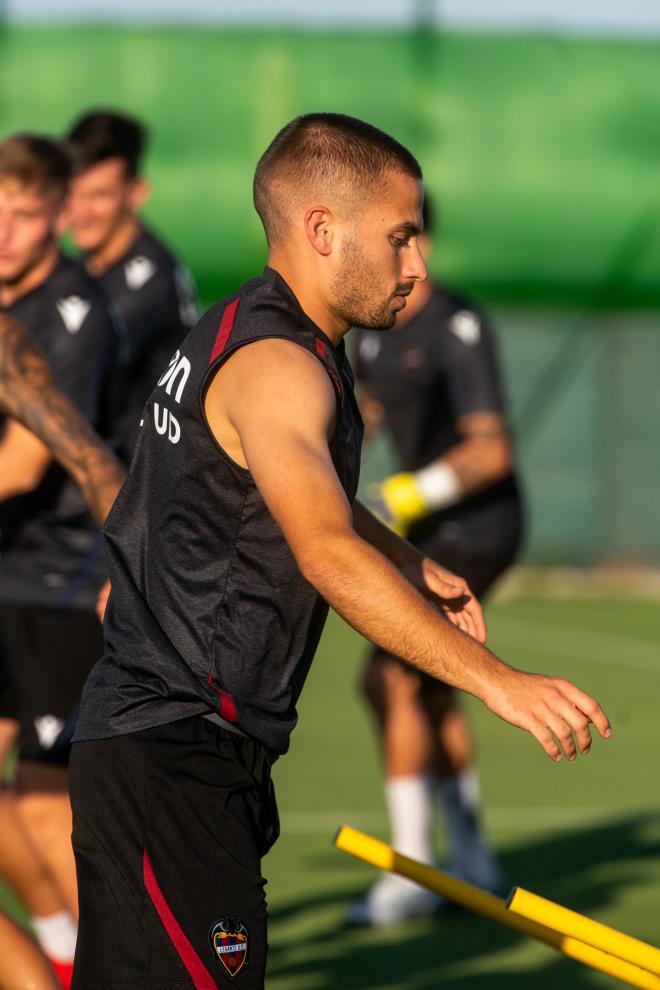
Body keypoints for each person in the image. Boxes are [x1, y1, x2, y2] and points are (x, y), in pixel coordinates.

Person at [69, 113, 611, 990]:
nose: (419, 266)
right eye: (399, 239)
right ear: (323, 229)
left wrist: (406, 559)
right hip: (171, 758)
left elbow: (287, 498)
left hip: (176, 751)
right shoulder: (281, 363)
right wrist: (497, 681)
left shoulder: (245, 324)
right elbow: (321, 549)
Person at [347, 195, 524, 926]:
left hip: (481, 528)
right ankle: (475, 859)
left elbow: (491, 450)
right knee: (429, 684)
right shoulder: (371, 331)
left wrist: (412, 490)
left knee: (392, 674)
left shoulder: (459, 323)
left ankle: (414, 869)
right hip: (426, 535)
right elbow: (361, 416)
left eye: (405, 237)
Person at [0, 134, 117, 988]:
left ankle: (98, 964)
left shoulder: (74, 312)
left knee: (43, 812)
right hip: (4, 574)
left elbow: (25, 463)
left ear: (58, 219)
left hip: (63, 582)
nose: (5, 231)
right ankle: (63, 959)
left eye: (27, 214)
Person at [66, 109, 198, 463]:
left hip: (134, 479)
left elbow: (71, 366)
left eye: (99, 195)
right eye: (72, 193)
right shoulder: (81, 266)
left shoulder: (151, 278)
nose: (80, 211)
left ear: (136, 192)